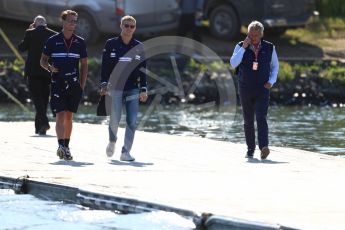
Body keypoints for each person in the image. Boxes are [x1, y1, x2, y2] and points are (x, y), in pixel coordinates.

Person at [40, 10, 88, 160]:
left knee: (69, 116)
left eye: (75, 21)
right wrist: (49, 68)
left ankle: (66, 146)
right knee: (60, 114)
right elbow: (43, 61)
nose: (72, 24)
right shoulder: (52, 40)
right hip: (57, 83)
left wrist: (82, 85)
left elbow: (84, 65)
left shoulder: (80, 42)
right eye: (70, 21)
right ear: (63, 21)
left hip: (74, 85)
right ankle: (60, 145)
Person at [100, 15, 148, 162]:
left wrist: (144, 88)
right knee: (115, 119)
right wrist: (103, 83)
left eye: (132, 26)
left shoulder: (139, 46)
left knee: (132, 120)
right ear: (121, 26)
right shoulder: (111, 44)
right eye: (126, 25)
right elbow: (105, 66)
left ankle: (125, 152)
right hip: (115, 88)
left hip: (133, 88)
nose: (129, 29)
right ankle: (112, 141)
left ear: (135, 28)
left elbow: (143, 69)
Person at [230, 21, 279, 160]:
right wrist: (244, 47)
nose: (253, 38)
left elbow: (275, 66)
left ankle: (264, 147)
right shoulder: (240, 46)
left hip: (263, 88)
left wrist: (271, 81)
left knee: (261, 117)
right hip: (245, 88)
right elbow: (233, 63)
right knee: (248, 120)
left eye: (256, 35)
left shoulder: (269, 47)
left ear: (261, 34)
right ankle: (250, 149)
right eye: (251, 35)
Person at [18, 15, 57, 135]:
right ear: (45, 24)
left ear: (34, 24)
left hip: (33, 72)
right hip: (47, 70)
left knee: (37, 98)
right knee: (44, 99)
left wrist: (29, 30)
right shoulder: (54, 34)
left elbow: (21, 48)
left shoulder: (30, 32)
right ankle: (39, 128)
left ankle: (44, 122)